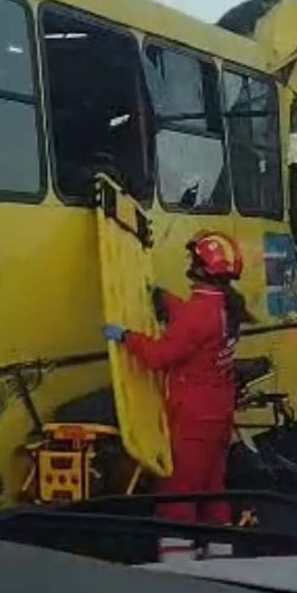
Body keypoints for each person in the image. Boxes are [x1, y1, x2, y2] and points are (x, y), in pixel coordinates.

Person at [104, 230, 245, 555]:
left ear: (200, 268)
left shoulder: (199, 314)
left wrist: (126, 337)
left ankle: (178, 561)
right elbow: (194, 324)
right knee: (212, 485)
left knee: (178, 490)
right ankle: (221, 552)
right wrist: (165, 299)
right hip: (218, 411)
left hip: (193, 414)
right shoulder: (224, 306)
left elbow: (158, 356)